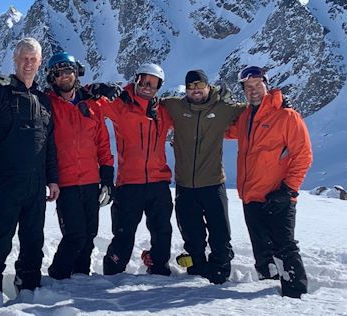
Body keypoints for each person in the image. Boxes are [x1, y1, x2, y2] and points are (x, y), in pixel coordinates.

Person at [0, 37, 60, 294]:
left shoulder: (44, 101)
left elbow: (49, 145)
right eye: (24, 58)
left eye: (33, 59)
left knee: (34, 239)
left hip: (36, 184)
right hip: (6, 180)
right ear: (15, 60)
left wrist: (52, 179)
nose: (29, 63)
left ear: (40, 62)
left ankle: (29, 286)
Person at [225, 65, 312, 298]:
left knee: (284, 247)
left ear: (266, 84)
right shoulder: (245, 117)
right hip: (251, 196)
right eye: (248, 87)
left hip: (278, 196)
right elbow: (224, 131)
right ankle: (266, 294)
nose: (253, 90)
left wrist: (288, 190)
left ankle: (296, 295)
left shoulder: (286, 116)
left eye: (257, 85)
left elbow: (303, 155)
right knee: (263, 252)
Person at [160, 69, 245, 284]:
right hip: (185, 185)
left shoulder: (224, 108)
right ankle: (196, 269)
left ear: (208, 87)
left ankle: (220, 271)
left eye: (200, 86)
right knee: (192, 234)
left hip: (213, 182)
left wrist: (282, 103)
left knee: (220, 233)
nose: (196, 90)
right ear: (186, 89)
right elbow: (149, 100)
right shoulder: (175, 107)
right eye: (191, 87)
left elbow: (255, 109)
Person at [94, 63, 175, 276]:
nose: (148, 87)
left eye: (154, 84)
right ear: (136, 80)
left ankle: (158, 268)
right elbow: (95, 105)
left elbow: (193, 116)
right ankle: (112, 271)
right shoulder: (121, 105)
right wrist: (97, 89)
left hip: (158, 182)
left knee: (162, 231)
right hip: (129, 183)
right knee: (123, 233)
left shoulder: (164, 112)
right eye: (144, 81)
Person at [44, 52, 114, 280]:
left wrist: (107, 177)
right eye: (59, 73)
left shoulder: (92, 105)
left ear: (77, 73)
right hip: (66, 182)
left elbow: (102, 143)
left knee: (90, 234)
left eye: (68, 71)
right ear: (52, 79)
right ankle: (58, 276)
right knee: (75, 235)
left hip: (91, 181)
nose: (64, 77)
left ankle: (81, 277)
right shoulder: (47, 104)